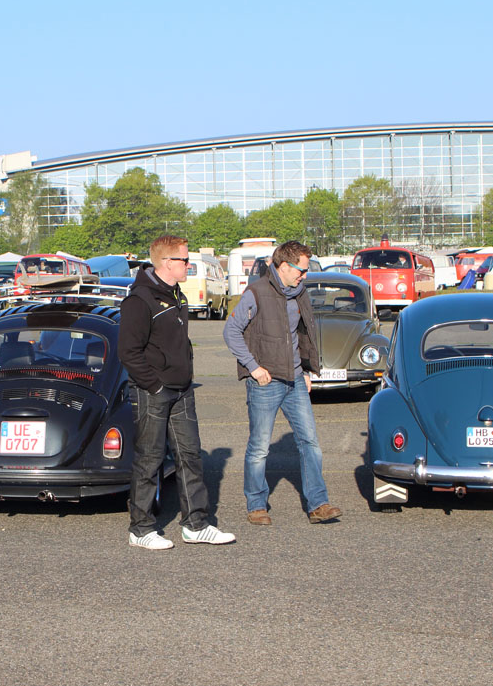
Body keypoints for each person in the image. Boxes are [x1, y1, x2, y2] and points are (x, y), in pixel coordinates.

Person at [119, 235, 235, 550]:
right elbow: (128, 352)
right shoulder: (140, 300)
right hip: (153, 391)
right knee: (150, 459)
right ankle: (141, 529)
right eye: (184, 260)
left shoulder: (176, 295)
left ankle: (196, 525)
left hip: (182, 390)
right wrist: (155, 385)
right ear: (167, 262)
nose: (188, 265)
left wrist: (185, 377)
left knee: (190, 456)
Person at [223, 240, 342, 525]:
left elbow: (302, 334)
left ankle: (318, 504)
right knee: (259, 447)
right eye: (302, 270)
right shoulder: (256, 293)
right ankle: (256, 505)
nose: (305, 276)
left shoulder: (299, 293)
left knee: (310, 442)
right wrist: (253, 368)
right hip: (265, 382)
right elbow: (231, 331)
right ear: (284, 266)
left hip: (295, 380)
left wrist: (305, 370)